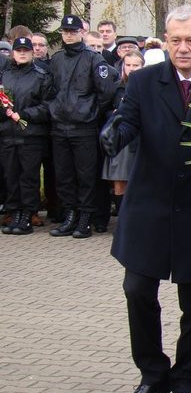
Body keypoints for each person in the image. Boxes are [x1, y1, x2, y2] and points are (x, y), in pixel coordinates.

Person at [99, 4, 191, 393]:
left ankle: (186, 382)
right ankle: (152, 375)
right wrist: (112, 134)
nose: (183, 48)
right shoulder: (142, 81)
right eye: (175, 40)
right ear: (165, 41)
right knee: (137, 290)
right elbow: (126, 122)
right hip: (149, 207)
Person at [48, 14, 118, 239]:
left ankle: (85, 218)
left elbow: (106, 90)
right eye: (65, 31)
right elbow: (50, 90)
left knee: (86, 175)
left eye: (73, 31)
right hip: (60, 126)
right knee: (64, 174)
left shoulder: (93, 59)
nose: (69, 35)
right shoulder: (57, 59)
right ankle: (70, 215)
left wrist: (91, 111)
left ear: (81, 32)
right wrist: (55, 109)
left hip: (84, 127)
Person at [0, 37, 55, 235]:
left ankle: (28, 213)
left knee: (28, 176)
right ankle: (14, 211)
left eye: (26, 50)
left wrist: (24, 114)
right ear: (13, 53)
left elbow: (48, 107)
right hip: (7, 134)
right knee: (11, 176)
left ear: (32, 53)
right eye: (19, 50)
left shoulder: (41, 76)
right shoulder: (4, 76)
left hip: (31, 135)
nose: (22, 53)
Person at [102, 50, 144, 203]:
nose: (131, 68)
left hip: (140, 140)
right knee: (119, 181)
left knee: (138, 182)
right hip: (121, 140)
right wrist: (114, 115)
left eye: (136, 65)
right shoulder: (116, 87)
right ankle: (122, 221)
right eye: (128, 65)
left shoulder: (147, 87)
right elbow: (103, 109)